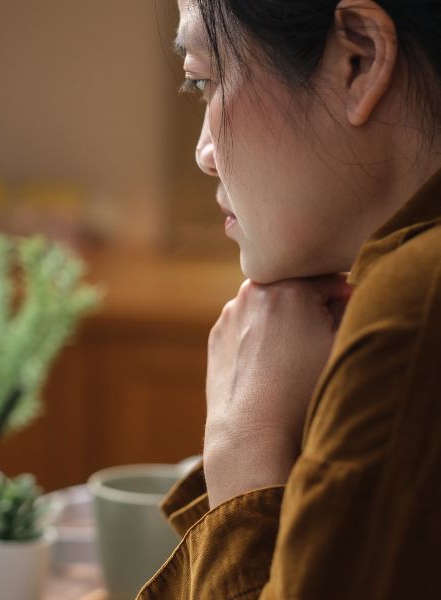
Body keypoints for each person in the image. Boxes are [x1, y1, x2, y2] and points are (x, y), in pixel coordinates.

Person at [139, 1, 441, 598]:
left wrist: (243, 453)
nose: (204, 153)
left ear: (360, 58)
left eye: (204, 80)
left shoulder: (417, 303)